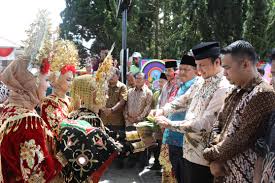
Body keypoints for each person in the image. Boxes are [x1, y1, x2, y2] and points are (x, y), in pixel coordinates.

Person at [0, 12, 65, 182]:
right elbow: (38, 176)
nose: (48, 85)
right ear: (32, 82)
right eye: (45, 79)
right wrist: (65, 157)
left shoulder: (7, 108)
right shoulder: (27, 120)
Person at [153, 42, 231, 183]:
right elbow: (183, 99)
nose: (199, 70)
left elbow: (205, 123)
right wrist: (163, 110)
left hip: (204, 157)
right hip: (187, 150)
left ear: (217, 62)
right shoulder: (201, 81)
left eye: (202, 65)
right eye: (197, 65)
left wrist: (170, 124)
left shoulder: (223, 87)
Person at [202, 41, 275, 182]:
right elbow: (218, 124)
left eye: (227, 68)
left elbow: (240, 139)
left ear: (245, 64)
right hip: (224, 172)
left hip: (243, 175)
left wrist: (208, 155)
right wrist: (213, 160)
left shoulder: (263, 93)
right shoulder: (235, 91)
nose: (224, 73)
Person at [162, 55, 197, 183]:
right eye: (180, 69)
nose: (181, 72)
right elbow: (173, 105)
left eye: (186, 69)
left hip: (184, 140)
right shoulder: (182, 86)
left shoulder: (195, 87)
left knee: (185, 177)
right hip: (173, 137)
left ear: (196, 70)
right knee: (177, 175)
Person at [41, 40, 79, 142]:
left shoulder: (70, 99)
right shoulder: (49, 102)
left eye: (72, 80)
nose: (71, 83)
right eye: (68, 80)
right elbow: (58, 129)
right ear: (56, 80)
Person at [124, 72, 153, 168]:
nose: (138, 80)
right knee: (132, 142)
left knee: (142, 143)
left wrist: (138, 118)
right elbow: (125, 106)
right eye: (137, 78)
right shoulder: (130, 91)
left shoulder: (148, 92)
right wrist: (127, 117)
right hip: (129, 121)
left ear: (144, 80)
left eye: (140, 78)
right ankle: (132, 161)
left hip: (141, 122)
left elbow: (148, 108)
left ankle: (142, 162)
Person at [100, 67, 127, 168]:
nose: (110, 77)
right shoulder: (104, 86)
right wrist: (103, 108)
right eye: (109, 74)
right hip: (104, 119)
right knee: (104, 141)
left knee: (118, 141)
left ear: (118, 76)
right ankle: (105, 163)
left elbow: (122, 101)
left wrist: (111, 110)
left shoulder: (122, 87)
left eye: (113, 75)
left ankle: (119, 162)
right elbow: (99, 98)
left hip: (117, 121)